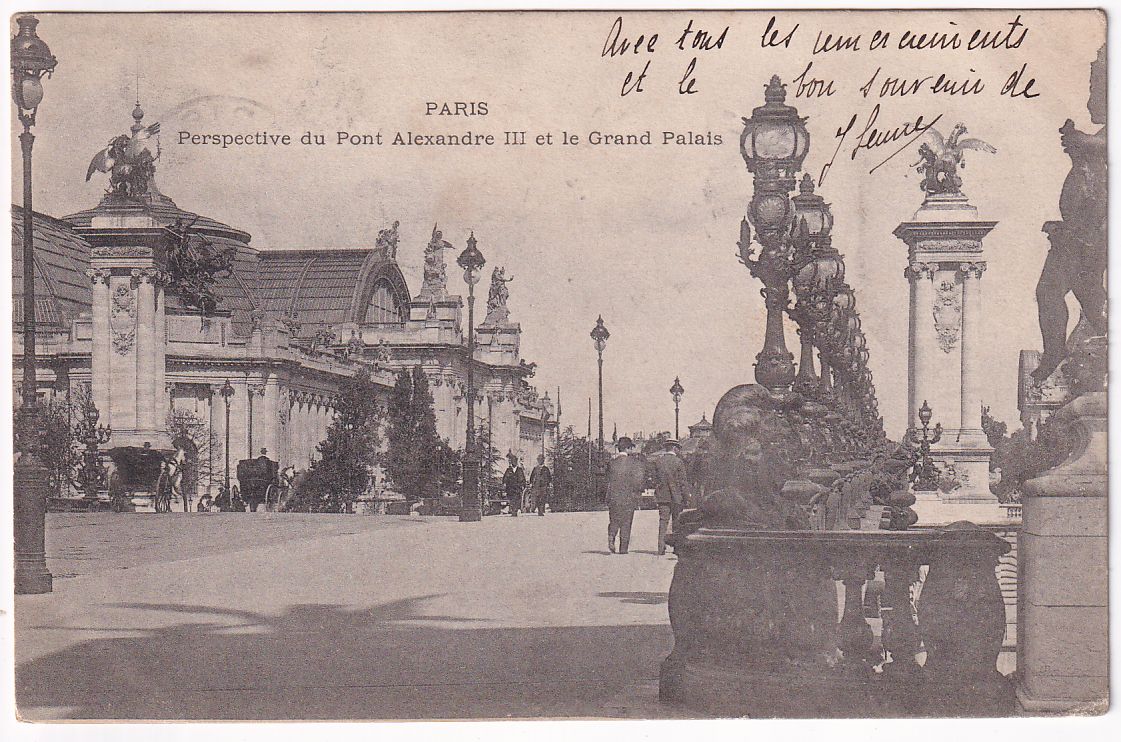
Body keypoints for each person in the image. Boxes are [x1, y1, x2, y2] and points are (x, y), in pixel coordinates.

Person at [606, 436, 646, 554]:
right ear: (628, 448)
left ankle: (611, 536)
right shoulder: (635, 463)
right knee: (626, 521)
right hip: (629, 496)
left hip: (613, 496)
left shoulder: (612, 463)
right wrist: (638, 491)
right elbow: (638, 481)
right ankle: (623, 548)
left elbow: (607, 479)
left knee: (614, 519)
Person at [651, 438, 690, 555]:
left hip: (662, 496)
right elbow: (683, 482)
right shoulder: (678, 462)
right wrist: (686, 497)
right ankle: (677, 547)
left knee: (663, 522)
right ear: (674, 448)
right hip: (676, 497)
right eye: (678, 448)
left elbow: (654, 479)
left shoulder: (658, 461)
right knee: (677, 522)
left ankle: (661, 547)